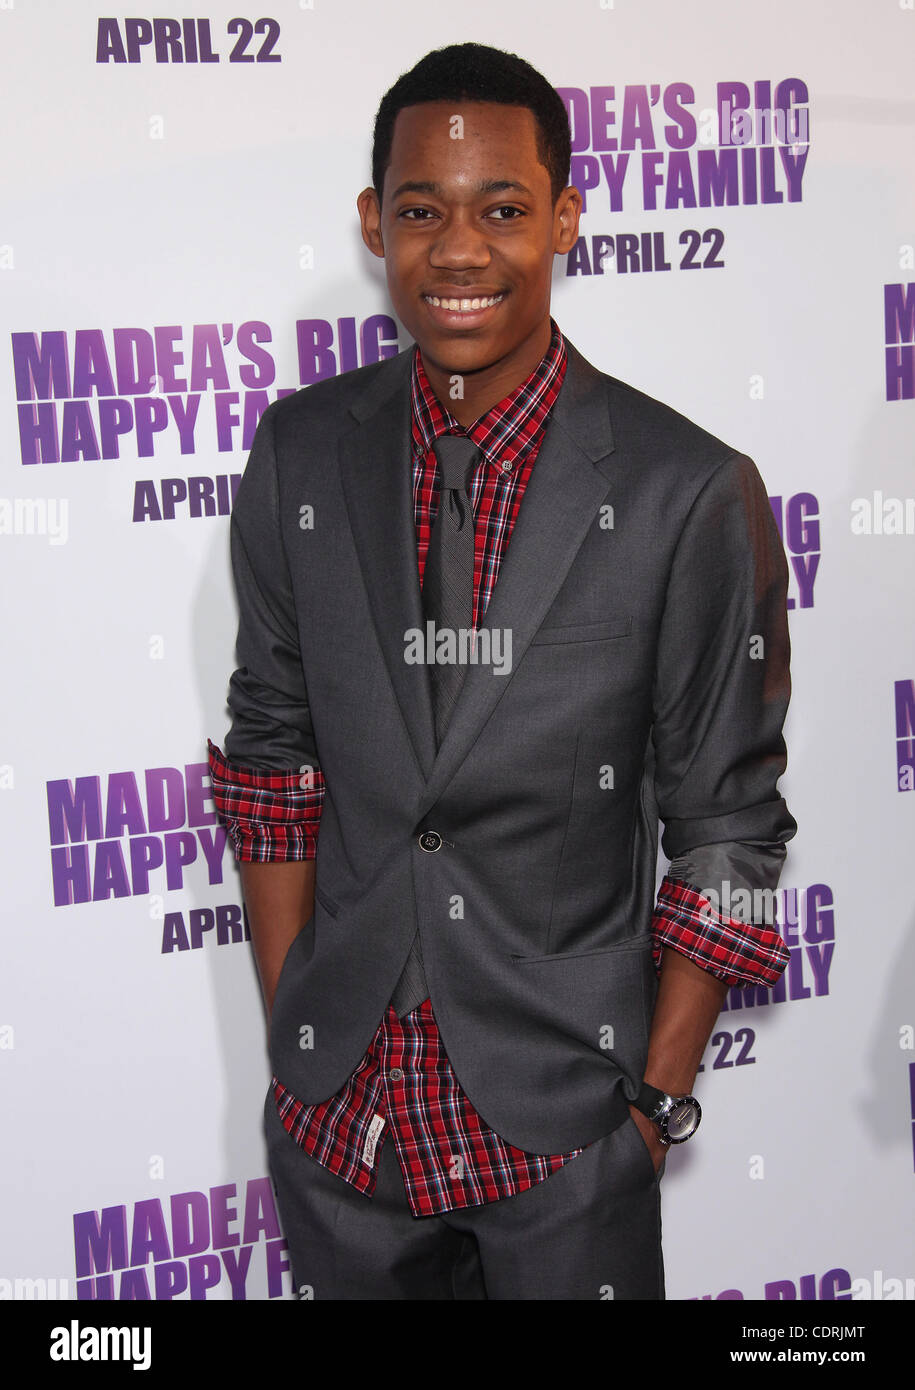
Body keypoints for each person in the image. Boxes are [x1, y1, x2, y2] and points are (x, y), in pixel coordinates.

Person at [208, 41, 796, 1301]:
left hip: (566, 1145)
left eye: (503, 210)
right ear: (375, 224)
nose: (459, 251)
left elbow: (730, 835)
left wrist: (650, 1111)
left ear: (565, 218)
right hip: (341, 1132)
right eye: (422, 210)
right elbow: (272, 755)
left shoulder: (686, 491)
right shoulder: (301, 453)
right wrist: (294, 1025)